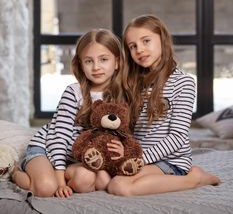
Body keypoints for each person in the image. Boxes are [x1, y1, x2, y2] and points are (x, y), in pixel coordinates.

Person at [107, 14, 220, 196]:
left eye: (146, 41)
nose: (140, 50)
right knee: (113, 180)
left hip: (171, 160)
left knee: (119, 186)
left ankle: (194, 179)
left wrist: (139, 159)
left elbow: (177, 137)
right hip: (144, 158)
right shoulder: (135, 83)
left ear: (162, 39)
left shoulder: (183, 83)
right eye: (133, 46)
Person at [12, 29, 125, 198]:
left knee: (90, 180)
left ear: (117, 62)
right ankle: (14, 171)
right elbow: (59, 136)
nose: (96, 67)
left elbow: (124, 134)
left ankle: (57, 175)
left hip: (75, 158)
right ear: (80, 64)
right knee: (46, 188)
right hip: (47, 147)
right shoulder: (74, 92)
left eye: (103, 59)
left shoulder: (123, 96)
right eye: (88, 61)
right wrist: (60, 182)